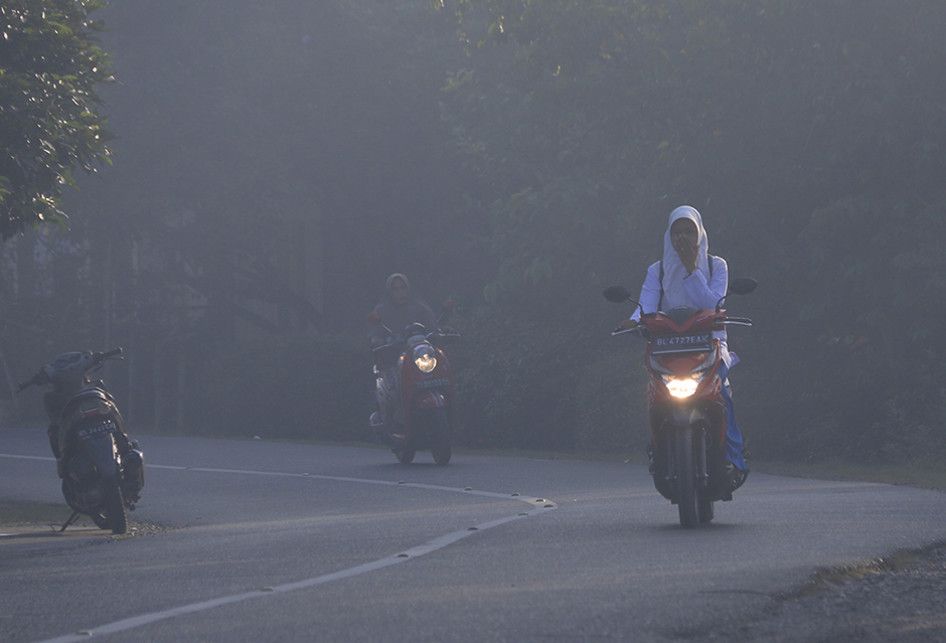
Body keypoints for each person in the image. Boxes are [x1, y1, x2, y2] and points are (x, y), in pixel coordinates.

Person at [619, 205, 749, 489]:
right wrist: (633, 323)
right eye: (678, 232)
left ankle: (732, 458)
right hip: (667, 348)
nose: (683, 239)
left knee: (722, 394)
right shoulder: (658, 270)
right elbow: (646, 306)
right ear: (669, 236)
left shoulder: (717, 266)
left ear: (700, 234)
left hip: (709, 344)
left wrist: (692, 269)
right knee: (655, 394)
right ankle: (658, 448)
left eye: (689, 232)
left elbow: (712, 303)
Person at [367, 273, 437, 346]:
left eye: (403, 288)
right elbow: (374, 332)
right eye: (395, 289)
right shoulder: (381, 311)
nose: (400, 292)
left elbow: (433, 328)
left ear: (408, 289)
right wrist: (376, 339)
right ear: (389, 292)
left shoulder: (420, 308)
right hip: (395, 353)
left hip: (421, 350)